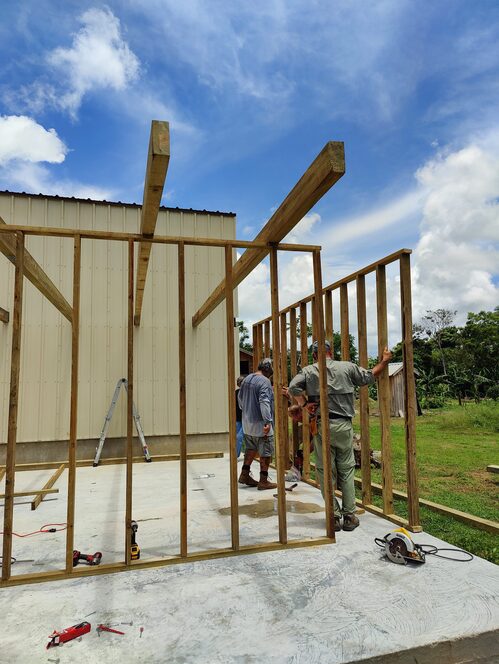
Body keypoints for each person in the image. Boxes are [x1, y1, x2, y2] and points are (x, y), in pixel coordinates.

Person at [288, 340, 392, 532]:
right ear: (331, 352)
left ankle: (334, 517)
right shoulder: (347, 367)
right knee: (346, 471)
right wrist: (385, 361)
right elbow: (369, 376)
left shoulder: (309, 371)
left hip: (322, 426)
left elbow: (293, 387)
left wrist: (304, 404)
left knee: (325, 471)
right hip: (343, 426)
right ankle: (350, 516)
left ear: (314, 355)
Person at [237, 358, 277, 490]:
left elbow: (240, 399)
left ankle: (244, 474)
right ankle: (263, 480)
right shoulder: (265, 381)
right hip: (260, 423)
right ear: (268, 369)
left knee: (251, 448)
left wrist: (246, 412)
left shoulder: (247, 379)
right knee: (266, 451)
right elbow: (264, 401)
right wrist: (267, 421)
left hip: (247, 422)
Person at [235, 376, 245, 457]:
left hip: (246, 419)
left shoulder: (248, 393)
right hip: (238, 419)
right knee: (238, 437)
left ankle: (235, 455)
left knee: (240, 436)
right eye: (240, 383)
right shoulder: (235, 393)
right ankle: (236, 455)